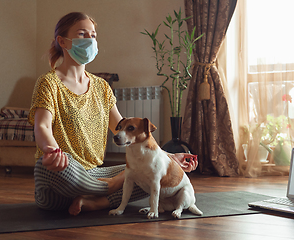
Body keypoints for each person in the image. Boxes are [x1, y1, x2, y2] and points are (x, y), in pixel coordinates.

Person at [28, 12, 198, 216]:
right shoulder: (48, 83)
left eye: (93, 35)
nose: (90, 40)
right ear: (62, 41)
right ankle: (106, 191)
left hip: (95, 173)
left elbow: (129, 134)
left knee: (150, 169)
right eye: (83, 34)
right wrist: (52, 152)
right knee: (46, 167)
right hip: (62, 177)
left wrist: (170, 158)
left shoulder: (102, 87)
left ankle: (94, 202)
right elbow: (42, 126)